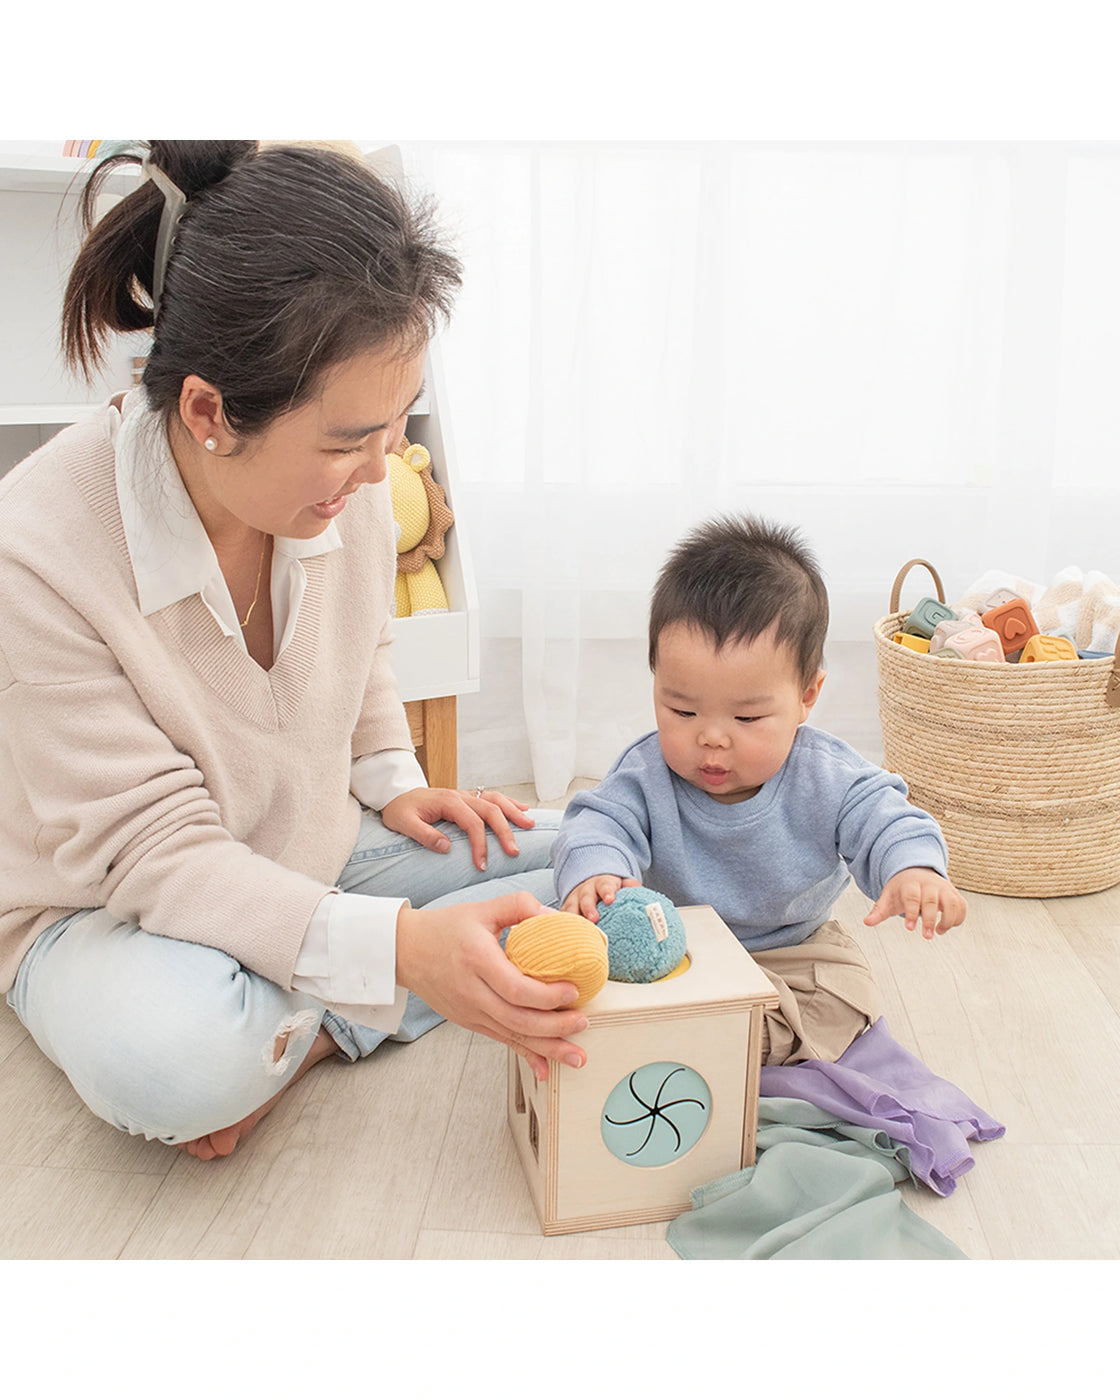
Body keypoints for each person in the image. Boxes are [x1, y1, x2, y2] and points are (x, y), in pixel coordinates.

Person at [0, 140, 590, 1162]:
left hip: (314, 840)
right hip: (104, 906)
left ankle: (308, 1023)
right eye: (349, 436)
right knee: (173, 1060)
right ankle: (348, 985)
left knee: (608, 847)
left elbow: (363, 647)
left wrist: (390, 776)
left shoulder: (344, 484)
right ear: (208, 411)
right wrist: (404, 951)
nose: (381, 466)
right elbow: (160, 856)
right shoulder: (35, 556)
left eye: (394, 421)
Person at [552, 513, 967, 1066]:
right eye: (681, 709)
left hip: (791, 948)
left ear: (807, 696)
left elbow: (888, 817)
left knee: (846, 996)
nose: (712, 738)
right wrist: (598, 875)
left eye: (748, 718)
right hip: (669, 945)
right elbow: (595, 822)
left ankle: (724, 1042)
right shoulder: (646, 772)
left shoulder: (827, 775)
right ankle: (691, 1033)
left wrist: (913, 869)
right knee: (573, 965)